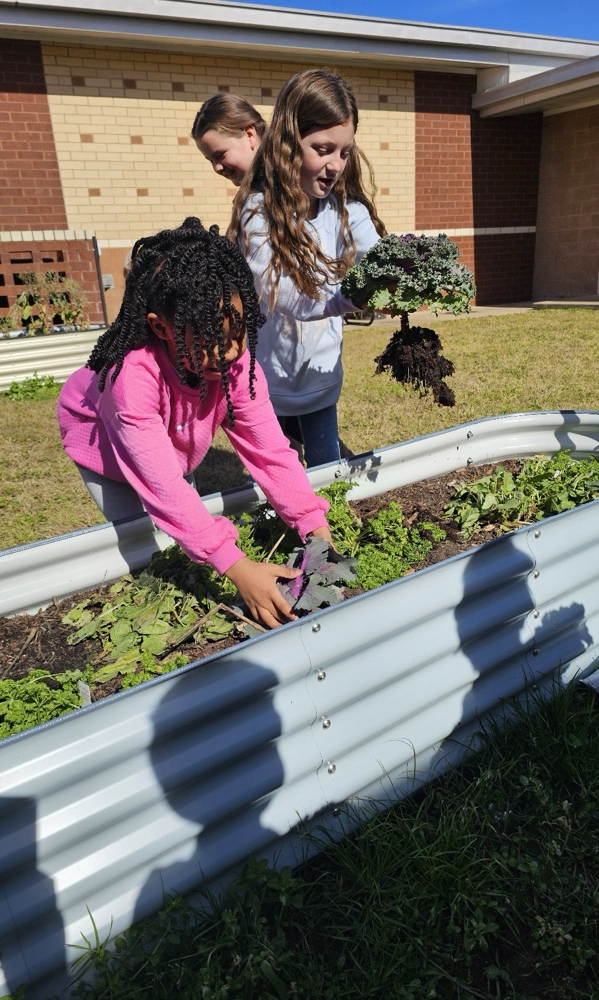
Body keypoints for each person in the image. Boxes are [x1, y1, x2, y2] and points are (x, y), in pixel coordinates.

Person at [57, 217, 332, 629]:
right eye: (210, 342)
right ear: (160, 327)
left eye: (237, 332)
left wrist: (314, 525)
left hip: (173, 437)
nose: (229, 352)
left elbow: (270, 451)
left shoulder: (237, 363)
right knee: (145, 545)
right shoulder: (132, 378)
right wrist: (238, 569)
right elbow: (161, 485)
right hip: (103, 443)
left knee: (183, 510)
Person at [227, 68, 387, 468]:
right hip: (269, 384)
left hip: (321, 378)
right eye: (323, 149)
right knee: (273, 480)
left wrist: (395, 279)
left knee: (327, 475)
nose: (335, 165)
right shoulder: (258, 212)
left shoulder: (347, 212)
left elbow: (378, 256)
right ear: (287, 142)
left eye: (345, 152)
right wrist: (351, 297)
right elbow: (282, 294)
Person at [191, 92, 265, 187]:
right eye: (211, 161)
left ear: (249, 135)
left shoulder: (281, 188)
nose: (217, 168)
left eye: (220, 155)